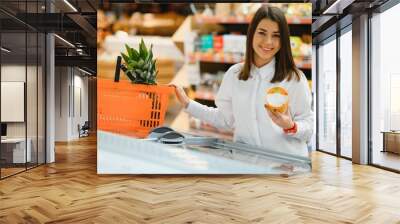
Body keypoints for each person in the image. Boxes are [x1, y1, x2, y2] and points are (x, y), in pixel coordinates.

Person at [172, 5, 313, 157]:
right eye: (262, 33)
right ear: (251, 34)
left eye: (276, 35)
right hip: (248, 166)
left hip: (286, 167)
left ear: (283, 40)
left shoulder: (294, 78)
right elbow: (225, 119)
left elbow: (309, 128)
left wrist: (291, 126)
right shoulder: (234, 75)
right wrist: (188, 104)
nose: (268, 42)